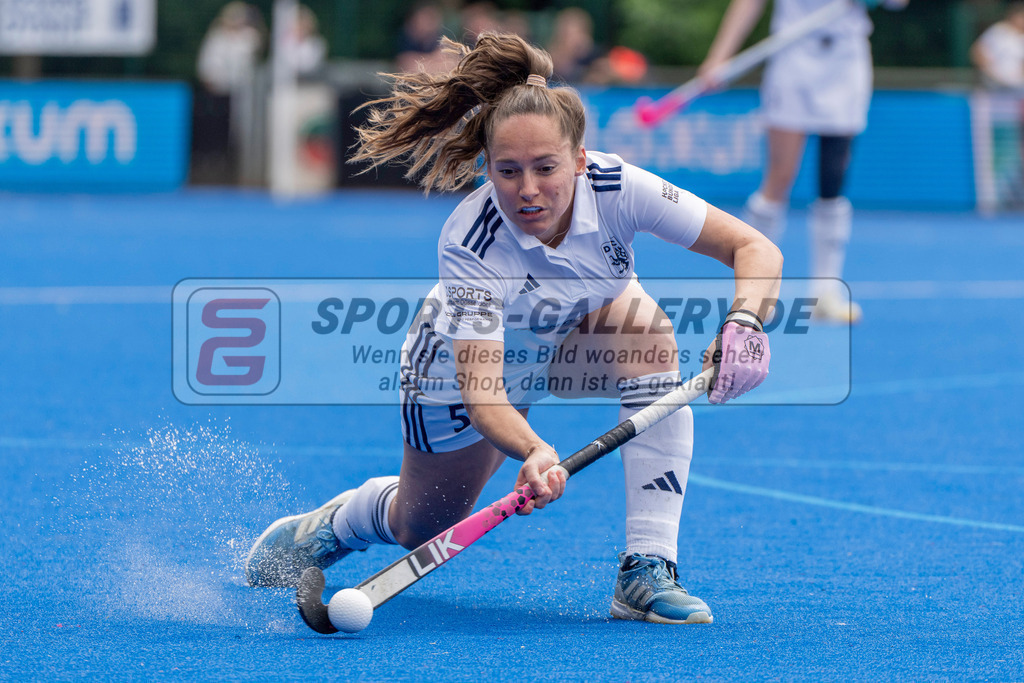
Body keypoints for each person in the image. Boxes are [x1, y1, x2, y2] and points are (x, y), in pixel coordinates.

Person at [246, 32, 782, 625]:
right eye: (508, 171)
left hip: (573, 334)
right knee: (420, 526)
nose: (528, 191)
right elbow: (485, 399)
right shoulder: (471, 243)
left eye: (546, 168)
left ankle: (647, 568)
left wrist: (745, 320)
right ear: (488, 166)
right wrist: (533, 450)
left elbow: (753, 247)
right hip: (460, 371)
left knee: (647, 334)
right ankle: (341, 522)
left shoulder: (618, 188)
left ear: (579, 160)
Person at [699, 0, 908, 324]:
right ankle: (751, 293)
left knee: (833, 180)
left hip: (846, 58)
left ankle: (826, 292)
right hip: (792, 55)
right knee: (779, 178)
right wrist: (719, 57)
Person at [970, 2, 1024, 91]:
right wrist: (990, 72)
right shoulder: (998, 31)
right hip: (993, 85)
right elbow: (977, 52)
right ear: (1014, 16)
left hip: (1017, 87)